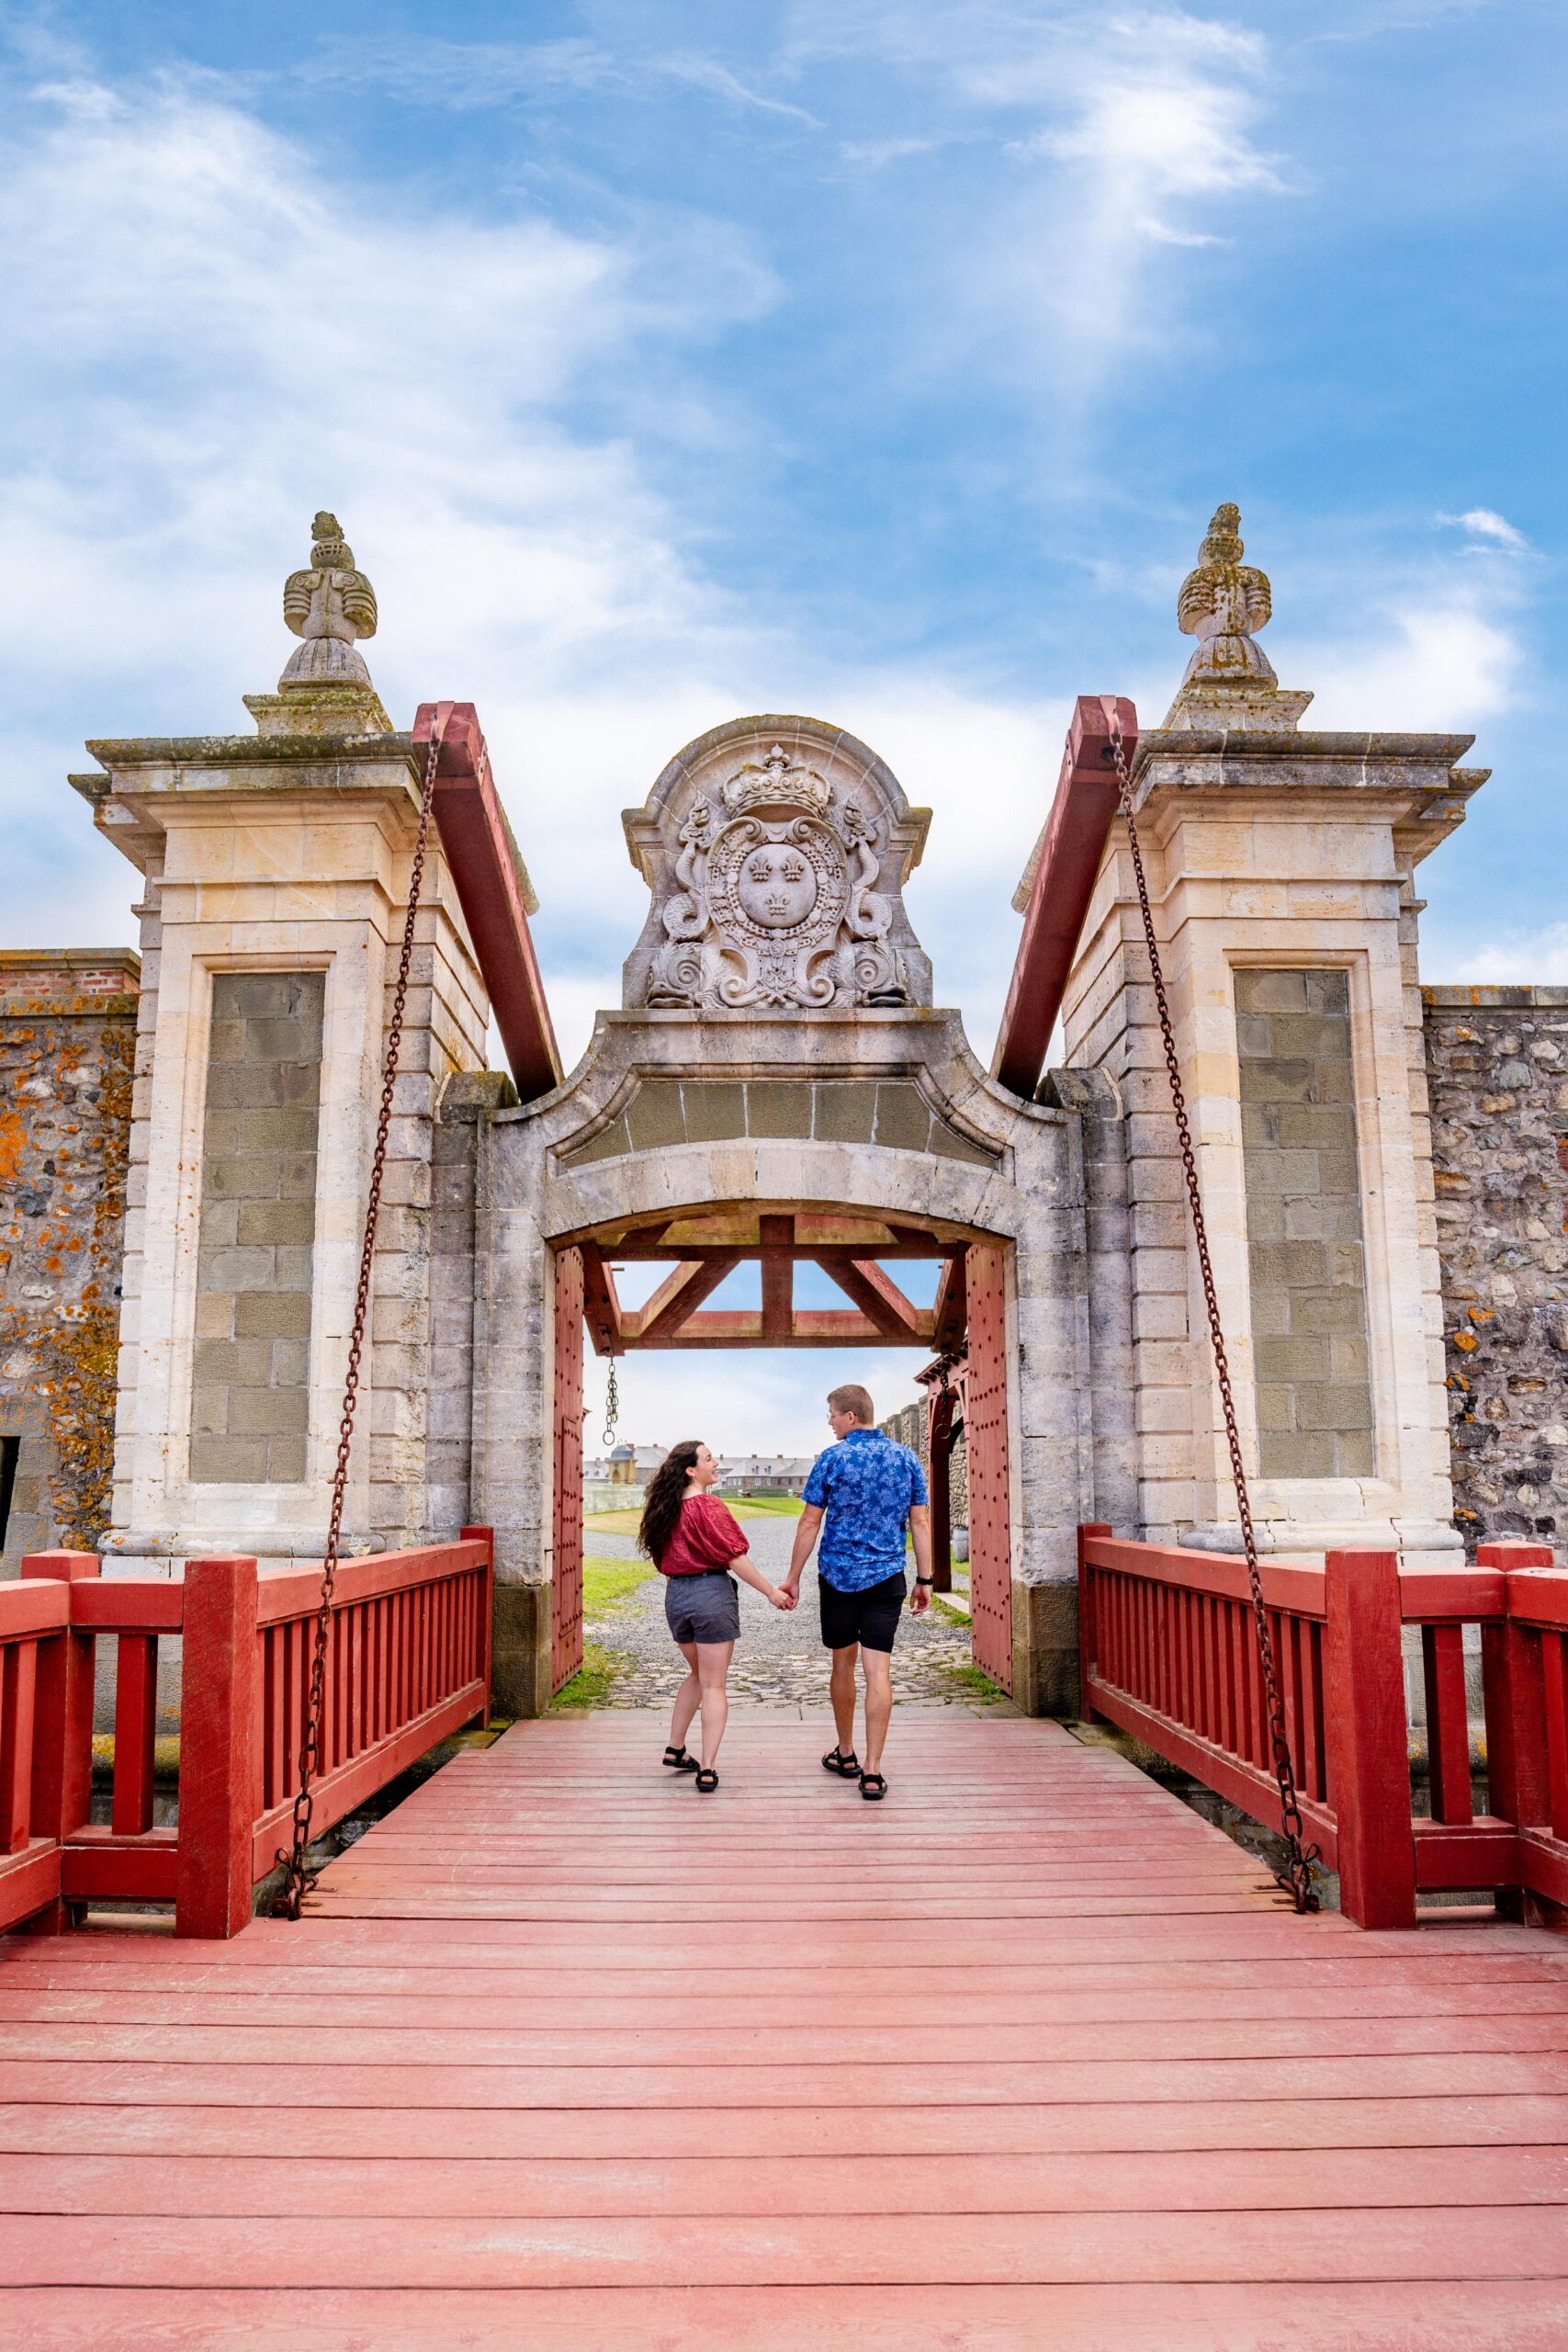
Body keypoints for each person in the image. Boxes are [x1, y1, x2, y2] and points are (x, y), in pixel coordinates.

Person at [780, 1384, 931, 1801]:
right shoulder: (905, 1458)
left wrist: (792, 1577)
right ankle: (873, 1771)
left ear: (849, 1416)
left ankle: (845, 1752)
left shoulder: (832, 1458)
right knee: (879, 1672)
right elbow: (920, 1522)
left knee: (843, 1666)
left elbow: (810, 1523)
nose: (829, 1422)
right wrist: (925, 1579)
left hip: (839, 1578)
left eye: (831, 1414)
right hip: (887, 1578)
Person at [637, 1439, 795, 1792]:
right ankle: (707, 1767)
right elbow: (735, 1559)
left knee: (697, 1674)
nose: (716, 1464)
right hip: (710, 1594)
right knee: (713, 1684)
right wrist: (771, 1592)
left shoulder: (663, 1509)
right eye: (709, 1459)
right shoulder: (709, 1506)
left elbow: (662, 1560)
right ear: (691, 1470)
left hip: (676, 1596)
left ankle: (676, 1749)